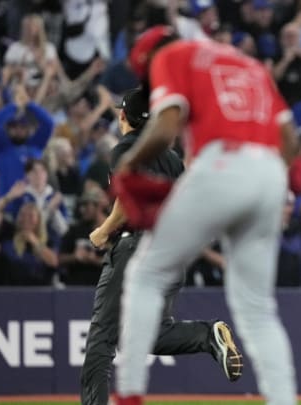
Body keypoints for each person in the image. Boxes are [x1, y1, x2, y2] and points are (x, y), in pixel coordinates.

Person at [112, 27, 297, 405]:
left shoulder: (170, 55)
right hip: (270, 173)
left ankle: (128, 396)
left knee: (146, 274)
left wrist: (129, 164)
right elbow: (290, 141)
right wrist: (264, 187)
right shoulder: (248, 63)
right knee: (259, 310)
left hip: (221, 162)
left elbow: (164, 128)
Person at [80, 87, 242, 405]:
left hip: (133, 247)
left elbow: (127, 203)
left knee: (102, 338)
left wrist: (102, 231)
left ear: (124, 116)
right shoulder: (171, 159)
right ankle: (206, 335)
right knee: (150, 335)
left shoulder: (126, 147)